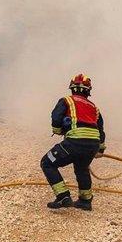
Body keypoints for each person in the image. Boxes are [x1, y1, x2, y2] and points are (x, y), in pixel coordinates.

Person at [40, 73, 106, 211]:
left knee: (47, 163)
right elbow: (100, 128)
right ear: (88, 91)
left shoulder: (66, 100)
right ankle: (85, 201)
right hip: (92, 145)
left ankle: (63, 196)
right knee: (82, 168)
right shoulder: (94, 107)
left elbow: (56, 117)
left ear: (72, 88)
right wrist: (100, 149)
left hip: (75, 142)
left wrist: (58, 130)